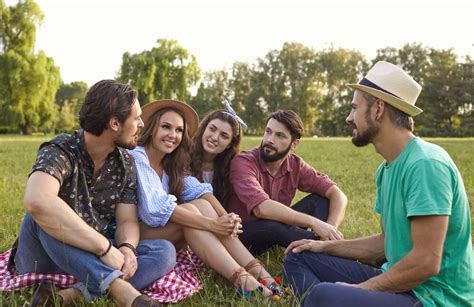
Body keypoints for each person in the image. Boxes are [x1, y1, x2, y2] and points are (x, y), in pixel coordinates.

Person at [284, 61, 474, 307]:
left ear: (378, 109)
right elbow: (385, 244)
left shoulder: (426, 165)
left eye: (354, 108)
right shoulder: (385, 170)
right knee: (299, 257)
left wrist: (360, 289)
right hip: (397, 281)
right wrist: (325, 247)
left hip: (432, 298)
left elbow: (426, 261)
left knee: (323, 295)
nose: (349, 118)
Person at [10, 80, 176, 307]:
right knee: (44, 215)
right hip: (44, 256)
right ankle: (122, 292)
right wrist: (105, 248)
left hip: (90, 257)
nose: (142, 124)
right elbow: (37, 200)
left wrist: (127, 248)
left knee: (164, 250)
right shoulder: (61, 150)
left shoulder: (125, 162)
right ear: (115, 123)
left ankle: (68, 296)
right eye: (136, 118)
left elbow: (127, 220)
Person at [128, 99, 284, 301]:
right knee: (191, 215)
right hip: (133, 236)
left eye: (178, 130)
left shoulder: (169, 163)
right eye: (166, 127)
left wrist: (225, 218)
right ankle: (243, 281)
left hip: (159, 233)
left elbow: (199, 192)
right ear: (151, 128)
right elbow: (154, 210)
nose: (172, 135)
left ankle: (261, 274)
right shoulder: (139, 157)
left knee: (201, 205)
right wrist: (213, 224)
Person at [226, 109, 348, 254]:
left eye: (280, 136)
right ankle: (337, 250)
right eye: (268, 131)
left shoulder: (295, 165)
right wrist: (314, 222)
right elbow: (261, 209)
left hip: (276, 231)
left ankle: (324, 246)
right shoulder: (243, 162)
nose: (270, 139)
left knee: (321, 200)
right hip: (241, 236)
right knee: (272, 226)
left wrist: (330, 227)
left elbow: (337, 194)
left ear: (294, 144)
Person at [190, 102, 246, 206]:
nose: (215, 137)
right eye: (212, 129)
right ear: (204, 129)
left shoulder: (230, 168)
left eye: (224, 136)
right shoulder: (183, 156)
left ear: (230, 144)